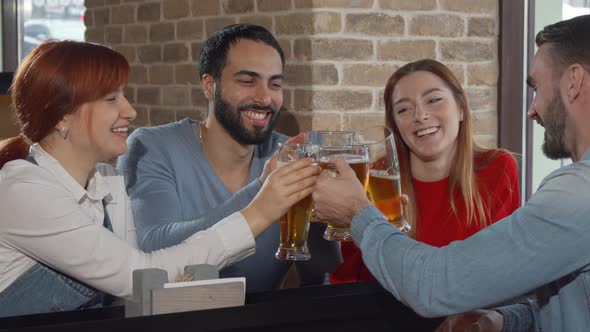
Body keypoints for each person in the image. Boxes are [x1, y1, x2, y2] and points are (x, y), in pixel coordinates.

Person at [0, 41, 319, 317]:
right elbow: (143, 275)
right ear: (61, 116)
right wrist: (260, 210)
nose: (130, 111)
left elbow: (134, 300)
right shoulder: (23, 190)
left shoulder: (107, 181)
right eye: (112, 99)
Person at [313, 14, 590, 331]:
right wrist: (502, 320)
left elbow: (435, 285)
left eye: (537, 88)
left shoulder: (578, 194)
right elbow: (569, 309)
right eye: (404, 109)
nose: (532, 109)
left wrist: (356, 213)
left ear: (574, 81)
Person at [117, 24, 340, 293]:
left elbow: (319, 273)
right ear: (210, 86)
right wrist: (263, 192)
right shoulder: (153, 146)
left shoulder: (290, 155)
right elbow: (155, 248)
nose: (265, 97)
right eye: (247, 81)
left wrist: (330, 220)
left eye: (275, 84)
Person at [330, 59, 520, 285]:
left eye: (434, 100)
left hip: (470, 316)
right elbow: (350, 279)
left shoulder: (497, 168)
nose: (420, 116)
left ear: (460, 108)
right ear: (396, 126)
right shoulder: (374, 179)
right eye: (404, 109)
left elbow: (499, 272)